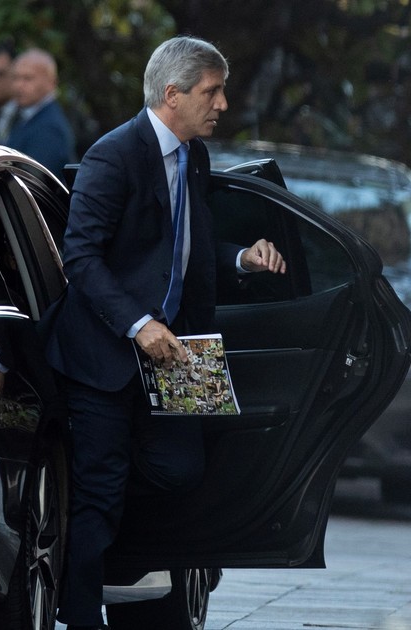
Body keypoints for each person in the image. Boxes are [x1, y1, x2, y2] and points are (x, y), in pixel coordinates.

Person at [42, 36, 287, 630]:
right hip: (102, 355)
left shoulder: (193, 157)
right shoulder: (113, 156)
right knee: (99, 494)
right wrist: (138, 323)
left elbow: (186, 249)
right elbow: (80, 259)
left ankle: (125, 562)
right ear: (172, 95)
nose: (222, 104)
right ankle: (81, 614)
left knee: (183, 473)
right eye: (212, 91)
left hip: (175, 357)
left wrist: (242, 258)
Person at [4, 48, 76, 175]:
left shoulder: (50, 128)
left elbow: (34, 178)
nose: (18, 85)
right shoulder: (26, 117)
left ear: (51, 82)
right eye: (15, 78)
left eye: (28, 78)